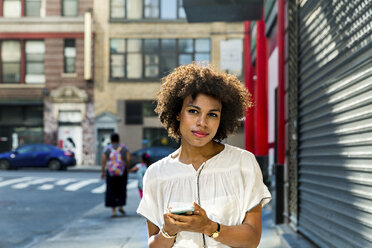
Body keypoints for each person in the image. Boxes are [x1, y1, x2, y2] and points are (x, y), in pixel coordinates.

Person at [137, 63, 271, 247]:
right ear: (177, 113)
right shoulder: (156, 174)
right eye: (193, 111)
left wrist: (208, 227)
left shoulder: (243, 163)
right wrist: (168, 231)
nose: (202, 122)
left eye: (213, 114)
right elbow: (154, 244)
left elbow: (252, 238)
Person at [101, 133, 131, 217]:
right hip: (122, 172)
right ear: (118, 139)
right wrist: (127, 167)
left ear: (111, 140)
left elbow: (103, 161)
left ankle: (113, 210)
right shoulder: (124, 148)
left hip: (111, 172)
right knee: (121, 189)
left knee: (111, 190)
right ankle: (120, 206)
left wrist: (103, 171)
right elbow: (128, 159)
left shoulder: (107, 149)